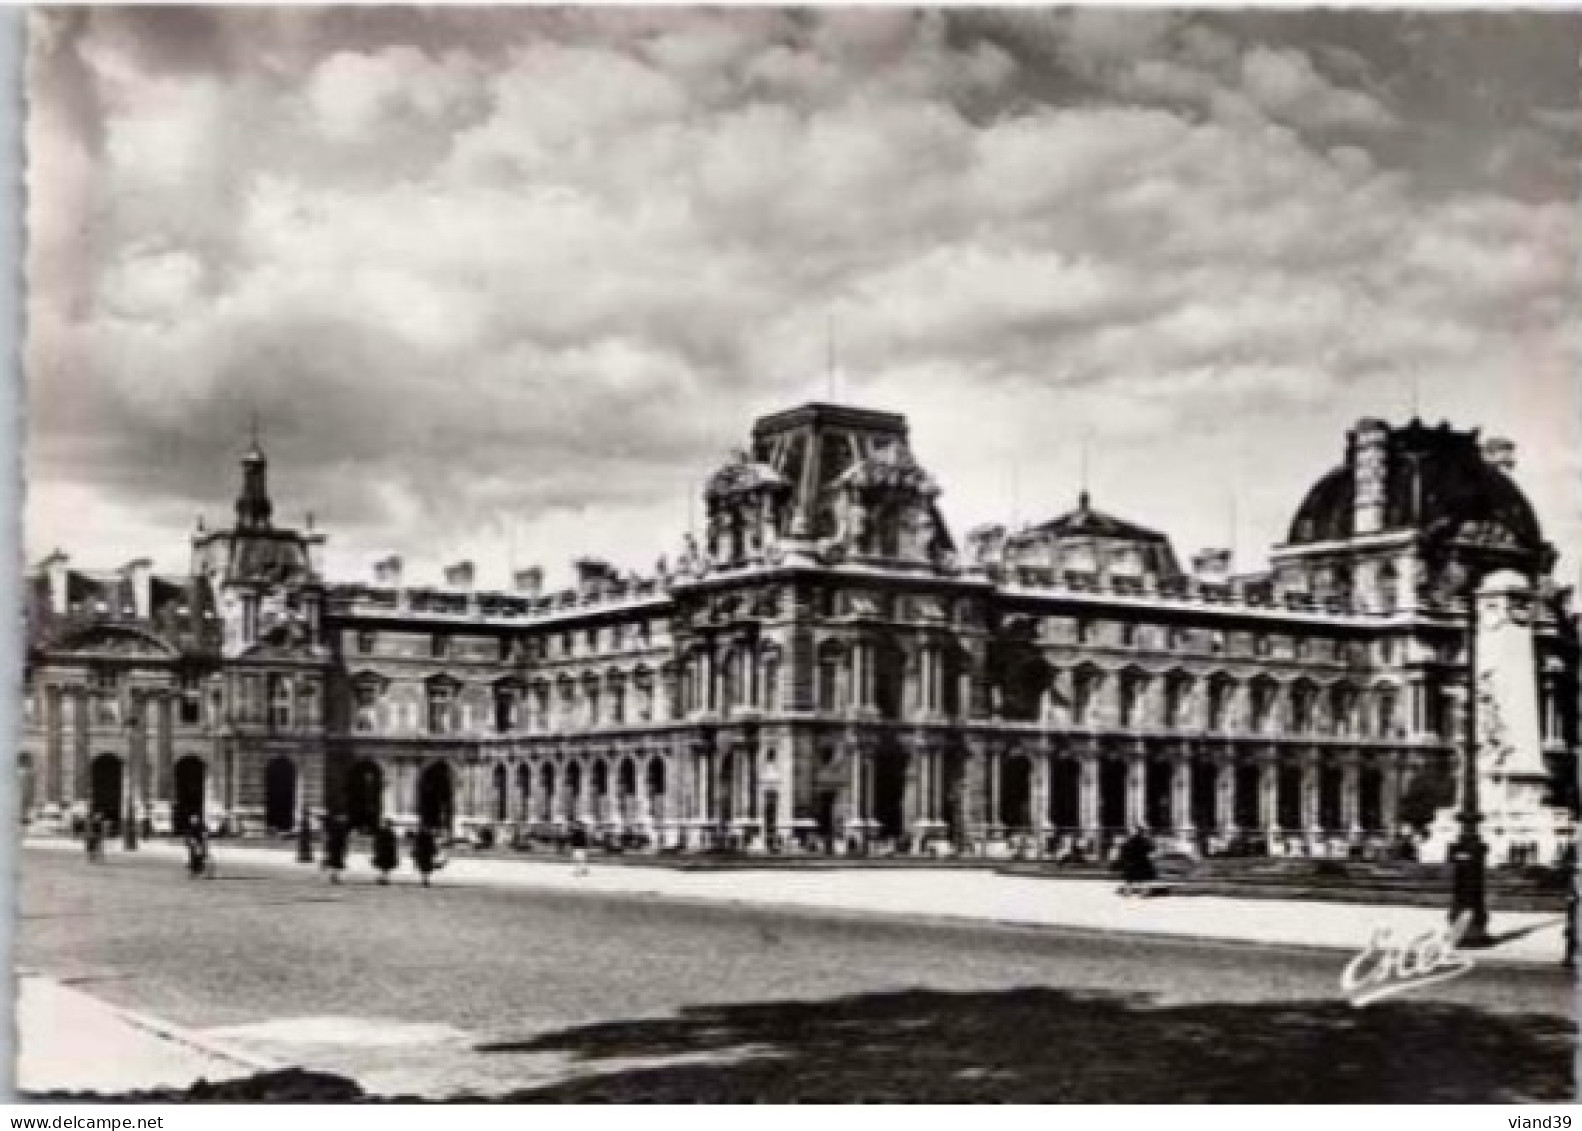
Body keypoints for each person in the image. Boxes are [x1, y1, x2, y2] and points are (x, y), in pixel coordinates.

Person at [1117, 826, 1156, 897]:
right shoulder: (1144, 840)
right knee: (1143, 879)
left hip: (1132, 862)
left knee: (1129, 879)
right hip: (1142, 861)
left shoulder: (1129, 841)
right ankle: (1143, 893)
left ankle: (1127, 892)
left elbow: (1123, 850)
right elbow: (1151, 849)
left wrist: (1124, 860)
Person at [322, 814, 349, 885]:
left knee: (337, 844)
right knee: (336, 844)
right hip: (335, 817)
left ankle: (333, 869)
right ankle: (334, 871)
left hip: (338, 817)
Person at [371, 818, 399, 885]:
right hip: (385, 851)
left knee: (385, 867)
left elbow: (393, 843)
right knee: (384, 867)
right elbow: (378, 842)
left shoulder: (388, 833)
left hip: (386, 851)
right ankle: (384, 879)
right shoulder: (388, 833)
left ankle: (383, 879)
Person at [412, 824, 440, 888]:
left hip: (425, 854)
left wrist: (434, 851)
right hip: (424, 854)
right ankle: (425, 880)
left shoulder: (421, 835)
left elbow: (416, 845)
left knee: (425, 868)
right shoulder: (424, 836)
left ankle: (425, 880)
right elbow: (417, 845)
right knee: (424, 868)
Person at [183, 815, 211, 879]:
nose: (193, 821)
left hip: (200, 843)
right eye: (192, 820)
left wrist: (204, 839)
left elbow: (205, 834)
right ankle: (193, 868)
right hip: (192, 844)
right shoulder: (189, 828)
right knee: (193, 854)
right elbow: (189, 838)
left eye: (195, 819)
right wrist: (194, 843)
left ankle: (199, 867)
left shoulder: (202, 826)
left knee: (201, 854)